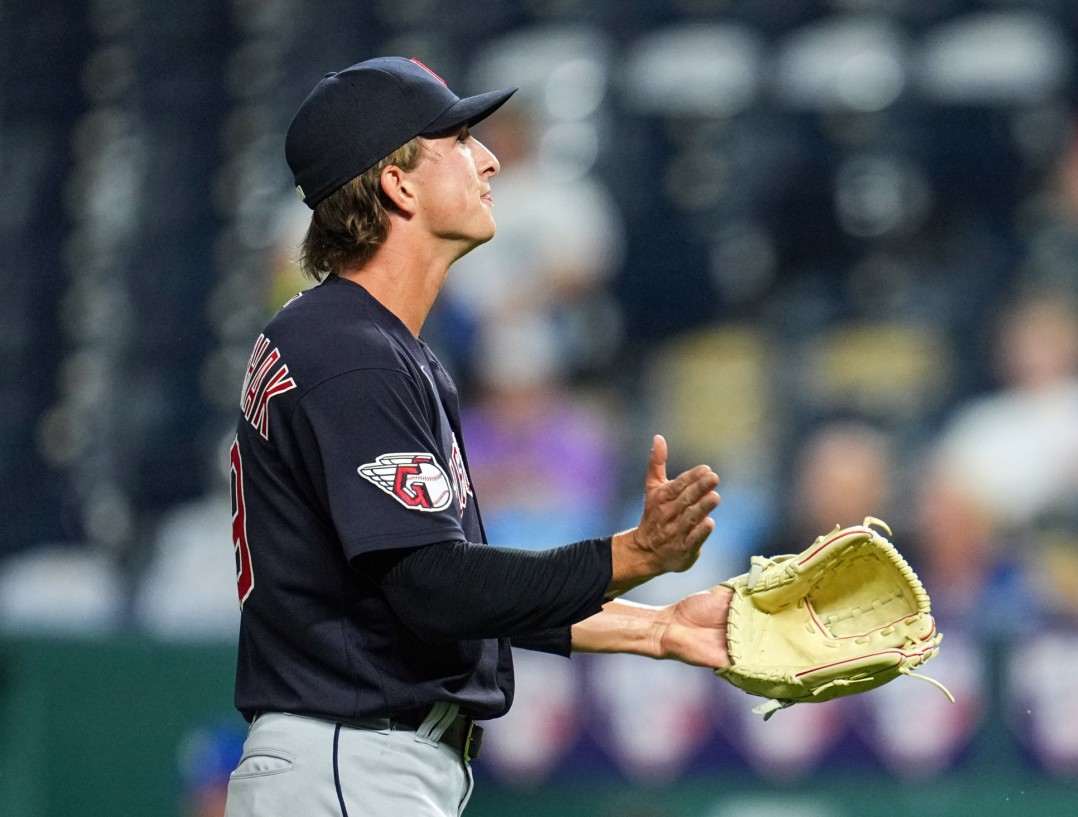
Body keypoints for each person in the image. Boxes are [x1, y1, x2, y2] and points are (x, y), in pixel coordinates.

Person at [222, 57, 727, 817]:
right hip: (351, 757)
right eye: (457, 139)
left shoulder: (364, 342)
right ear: (398, 184)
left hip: (350, 757)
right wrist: (632, 557)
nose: (488, 156)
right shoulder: (351, 352)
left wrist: (655, 629)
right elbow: (435, 587)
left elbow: (447, 592)